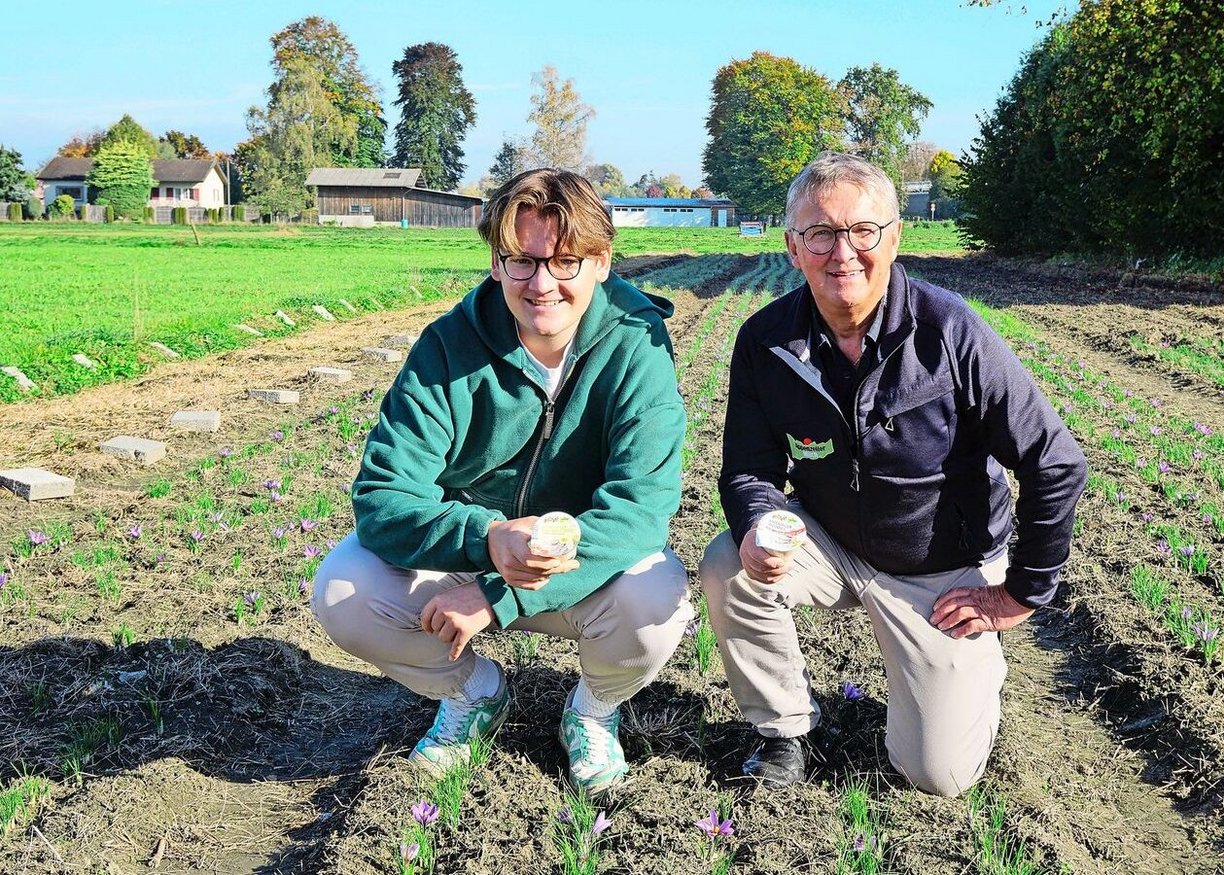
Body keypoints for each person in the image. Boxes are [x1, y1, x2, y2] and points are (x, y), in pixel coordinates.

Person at [699, 151, 1087, 796]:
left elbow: (1054, 463)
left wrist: (1020, 594)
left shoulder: (951, 333)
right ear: (793, 247)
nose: (841, 251)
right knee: (726, 563)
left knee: (937, 775)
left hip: (941, 573)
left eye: (861, 231)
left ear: (894, 237)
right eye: (819, 233)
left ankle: (965, 672)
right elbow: (748, 469)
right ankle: (785, 729)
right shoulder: (766, 341)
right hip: (831, 543)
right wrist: (760, 525)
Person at [313, 168, 692, 795]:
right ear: (496, 262)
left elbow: (642, 506)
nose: (542, 284)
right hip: (469, 554)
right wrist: (488, 541)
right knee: (343, 589)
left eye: (566, 261)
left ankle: (594, 711)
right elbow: (382, 500)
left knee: (658, 598)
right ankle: (473, 693)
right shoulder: (447, 347)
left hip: (579, 571)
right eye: (521, 261)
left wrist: (499, 595)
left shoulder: (636, 347)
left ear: (600, 262)